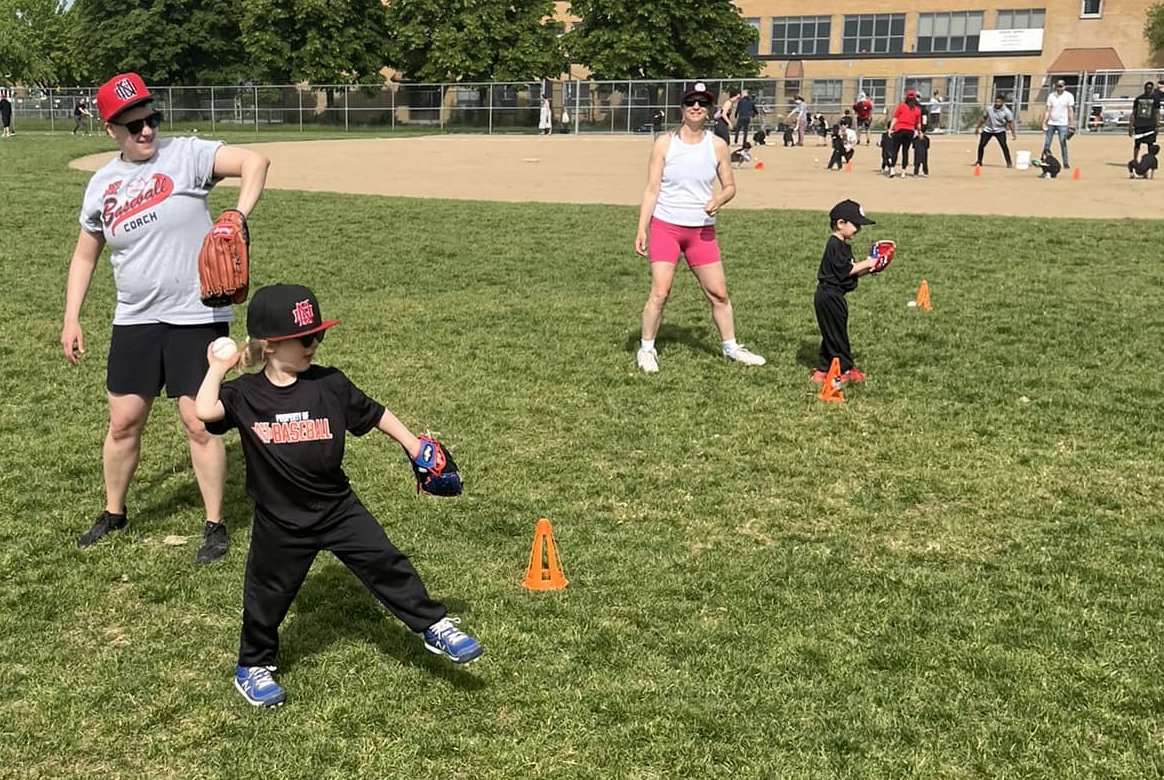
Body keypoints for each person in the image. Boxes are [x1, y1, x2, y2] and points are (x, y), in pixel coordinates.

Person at [195, 284, 483, 708]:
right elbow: (204, 412)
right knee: (267, 594)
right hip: (281, 520)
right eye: (306, 337)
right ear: (271, 346)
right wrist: (218, 367)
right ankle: (252, 665)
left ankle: (434, 626)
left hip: (337, 507)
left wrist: (413, 445)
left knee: (386, 561)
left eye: (319, 335)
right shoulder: (247, 396)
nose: (315, 344)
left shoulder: (330, 384)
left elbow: (375, 413)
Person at [61, 72, 271, 563]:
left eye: (151, 120)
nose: (146, 131)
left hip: (195, 314)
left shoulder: (187, 155)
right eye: (133, 125)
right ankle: (114, 512)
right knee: (123, 421)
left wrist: (237, 216)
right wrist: (72, 318)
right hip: (134, 318)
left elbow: (255, 162)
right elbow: (84, 255)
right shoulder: (102, 185)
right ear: (110, 128)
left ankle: (215, 524)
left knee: (200, 421)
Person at [634, 82, 766, 374]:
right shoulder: (665, 144)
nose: (696, 107)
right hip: (666, 227)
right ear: (682, 108)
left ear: (709, 111)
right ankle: (646, 348)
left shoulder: (717, 145)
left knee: (718, 292)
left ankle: (731, 347)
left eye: (702, 104)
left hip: (701, 231)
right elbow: (652, 189)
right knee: (661, 291)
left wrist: (719, 198)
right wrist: (642, 228)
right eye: (691, 102)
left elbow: (730, 186)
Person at [812, 200, 879, 385]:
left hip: (833, 295)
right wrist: (868, 262)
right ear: (840, 223)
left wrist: (873, 268)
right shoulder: (834, 244)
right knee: (838, 335)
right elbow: (845, 269)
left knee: (832, 333)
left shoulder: (842, 246)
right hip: (829, 296)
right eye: (856, 224)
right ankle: (846, 369)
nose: (858, 229)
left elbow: (848, 273)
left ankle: (823, 370)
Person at [887, 89, 923, 178]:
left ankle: (892, 169)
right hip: (909, 131)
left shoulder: (901, 106)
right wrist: (920, 132)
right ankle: (903, 172)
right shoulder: (917, 110)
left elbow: (895, 118)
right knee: (905, 151)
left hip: (899, 129)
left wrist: (890, 129)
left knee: (895, 149)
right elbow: (918, 124)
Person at [974, 95, 1017, 168]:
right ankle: (979, 161)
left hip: (1000, 130)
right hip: (988, 129)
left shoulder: (1007, 112)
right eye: (996, 101)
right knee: (981, 145)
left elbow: (1010, 123)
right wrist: (977, 128)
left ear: (1003, 102)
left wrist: (1013, 133)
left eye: (999, 102)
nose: (997, 103)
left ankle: (1008, 162)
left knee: (1004, 145)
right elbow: (983, 118)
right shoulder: (989, 109)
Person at [1042, 79, 1075, 169]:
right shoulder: (1051, 96)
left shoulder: (1069, 96)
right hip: (1051, 122)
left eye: (1061, 86)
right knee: (1047, 143)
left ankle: (1065, 162)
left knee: (1063, 142)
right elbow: (1048, 110)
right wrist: (1044, 122)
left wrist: (1071, 123)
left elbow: (1070, 110)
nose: (1059, 88)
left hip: (1063, 123)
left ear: (1064, 87)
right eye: (1058, 86)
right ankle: (1043, 159)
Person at [1129, 81, 1160, 163]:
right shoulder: (1138, 99)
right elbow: (1134, 113)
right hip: (1139, 125)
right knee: (1137, 144)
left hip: (1150, 125)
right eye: (1147, 88)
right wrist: (1130, 126)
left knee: (1150, 145)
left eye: (1150, 88)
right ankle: (1135, 160)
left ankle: (1149, 161)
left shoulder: (1155, 99)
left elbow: (1157, 113)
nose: (1148, 90)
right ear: (1144, 88)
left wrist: (1157, 125)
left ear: (1152, 89)